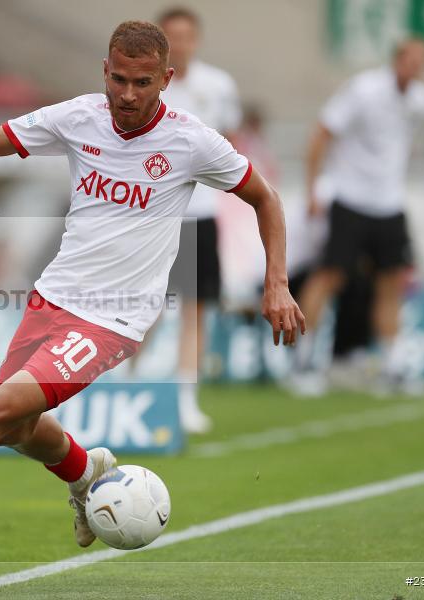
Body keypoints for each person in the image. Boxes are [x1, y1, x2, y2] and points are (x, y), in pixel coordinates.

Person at [0, 21, 304, 575]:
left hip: (114, 318)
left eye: (142, 82)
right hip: (51, 300)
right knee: (18, 429)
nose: (126, 94)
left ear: (166, 79)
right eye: (118, 79)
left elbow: (265, 198)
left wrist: (276, 283)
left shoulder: (192, 141)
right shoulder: (79, 117)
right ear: (104, 69)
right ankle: (84, 472)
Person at [293, 38, 424, 396]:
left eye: (421, 62)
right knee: (328, 276)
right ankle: (304, 361)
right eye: (410, 60)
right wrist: (313, 189)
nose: (415, 68)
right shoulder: (364, 89)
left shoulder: (420, 101)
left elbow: (404, 147)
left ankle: (393, 365)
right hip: (350, 198)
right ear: (397, 59)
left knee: (391, 283)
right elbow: (322, 133)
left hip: (390, 203)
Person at [157, 7, 242, 433]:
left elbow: (228, 141)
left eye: (186, 35)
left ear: (197, 39)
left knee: (195, 310)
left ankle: (185, 398)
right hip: (152, 217)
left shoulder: (218, 85)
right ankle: (127, 387)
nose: (181, 44)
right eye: (172, 36)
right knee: (143, 308)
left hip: (201, 214)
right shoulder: (148, 85)